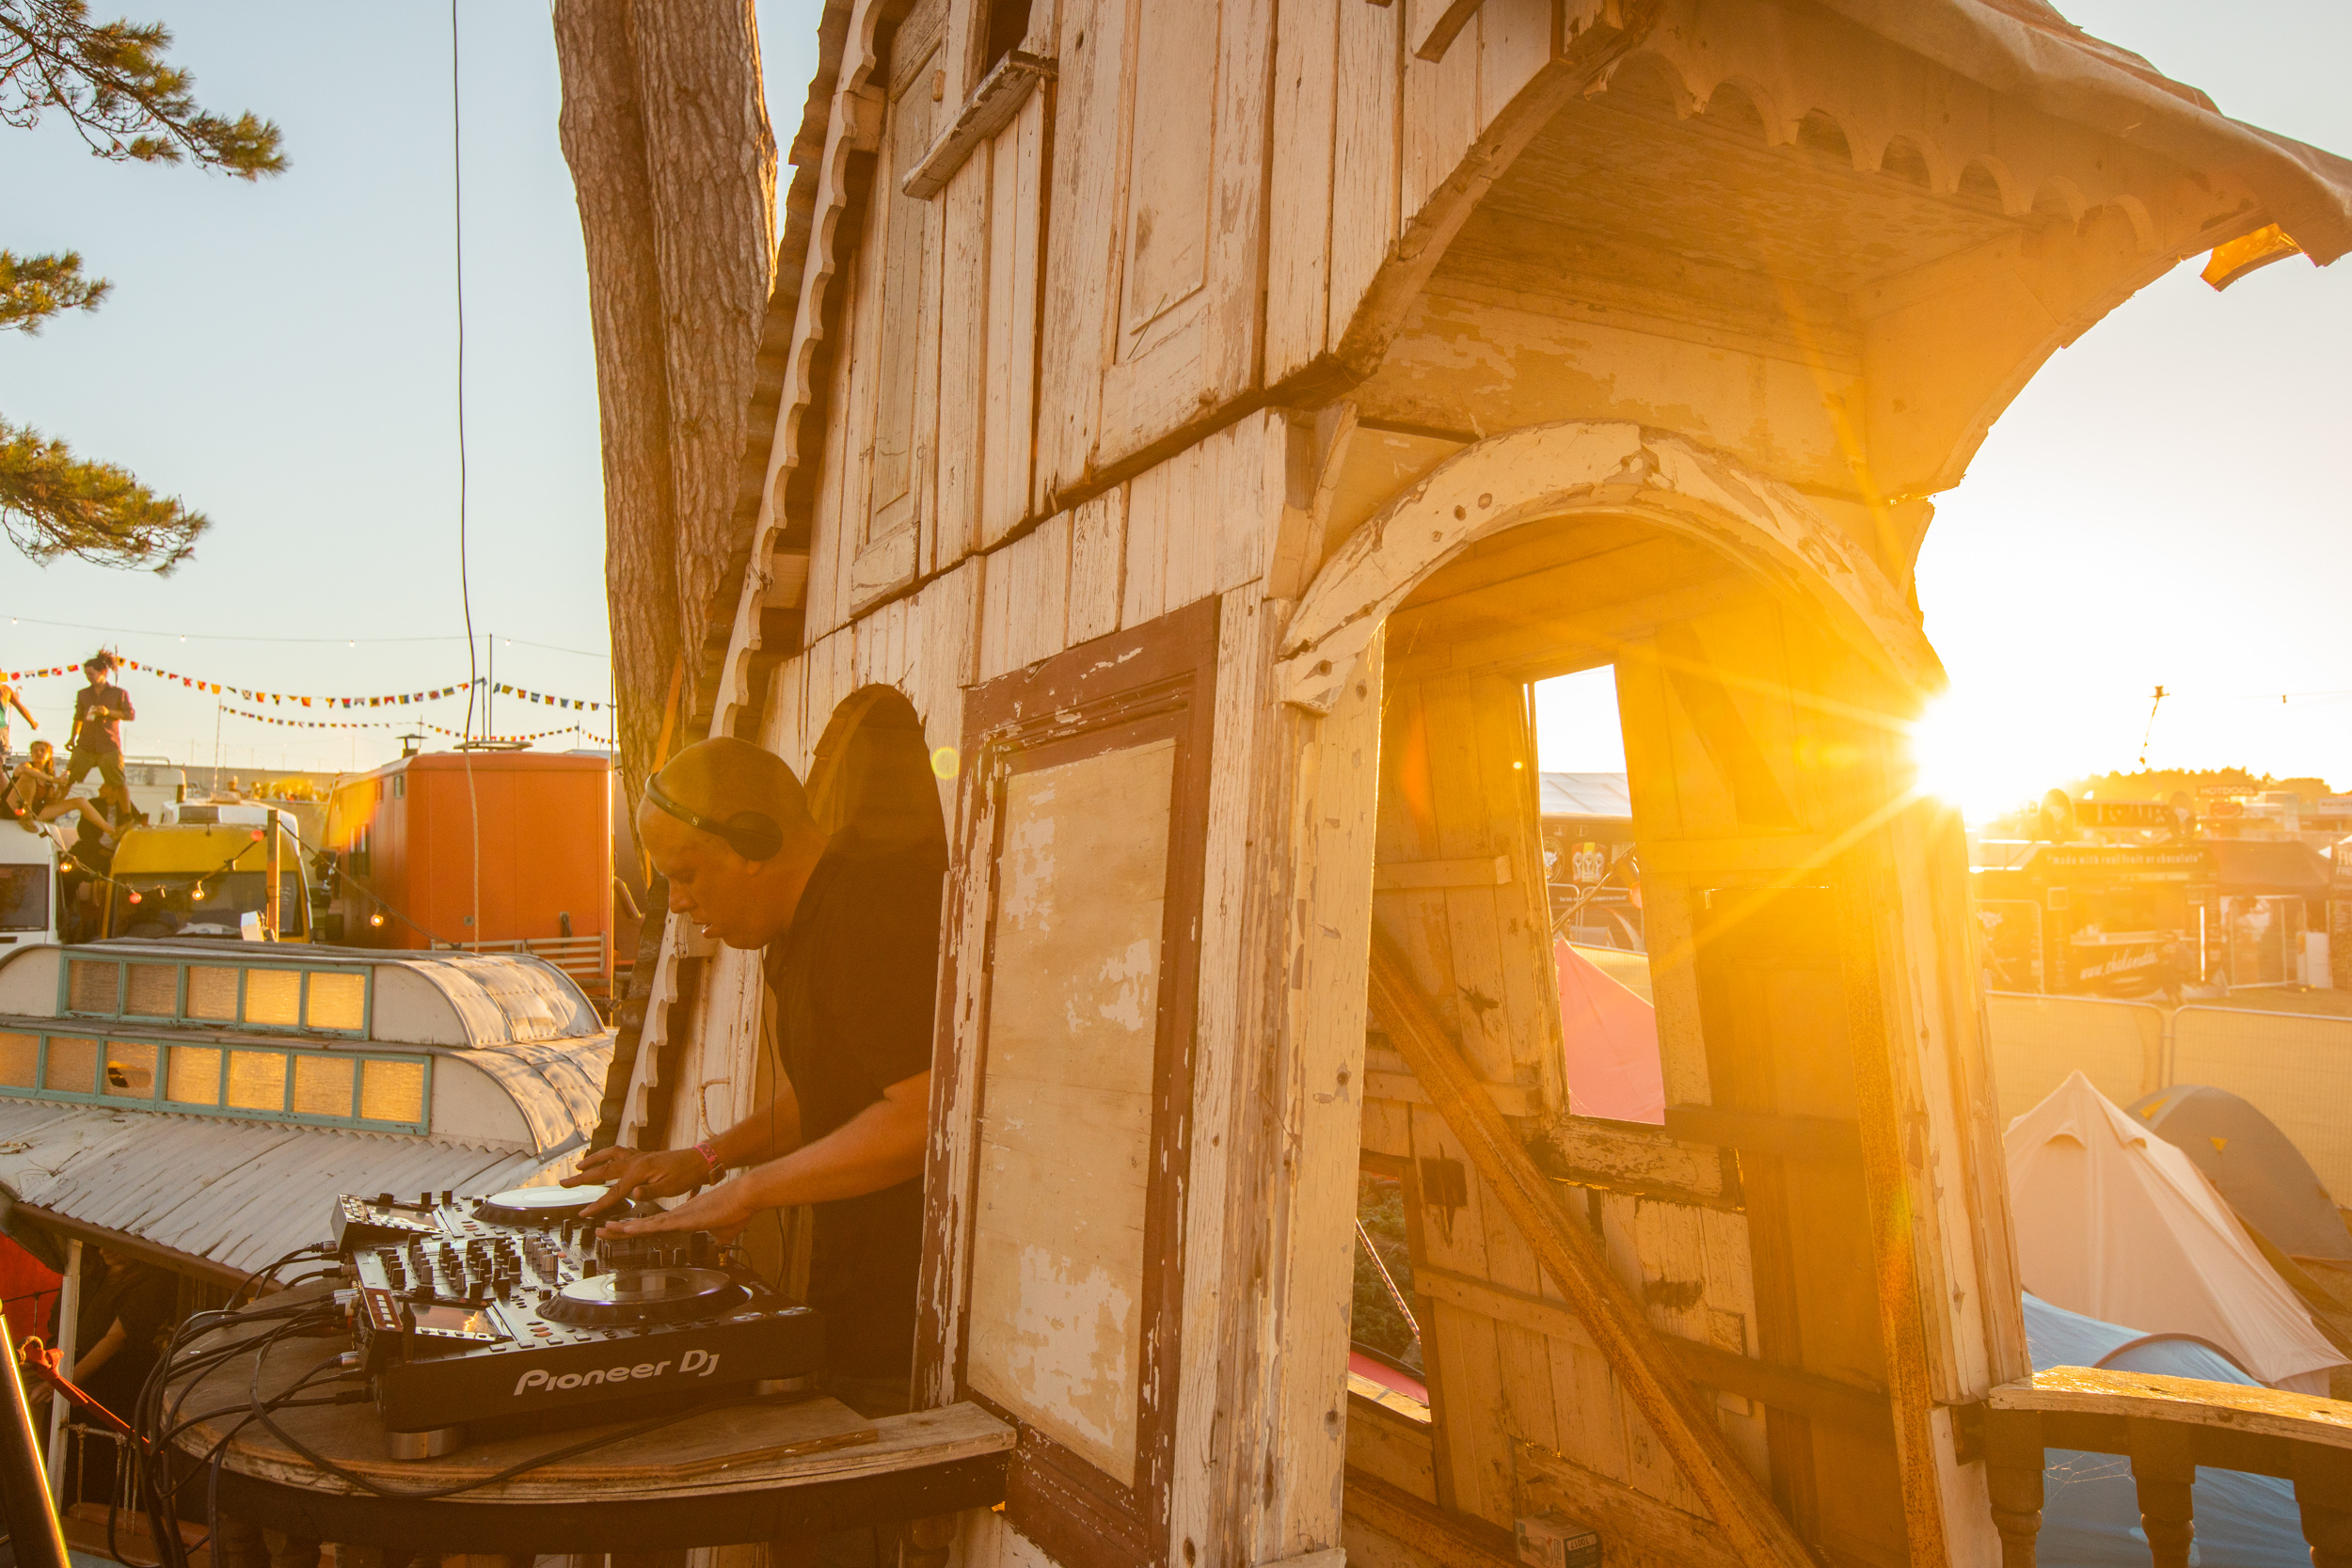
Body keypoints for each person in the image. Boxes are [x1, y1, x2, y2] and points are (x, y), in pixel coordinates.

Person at [564, 737, 942, 1421]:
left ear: (753, 841)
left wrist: (749, 1192)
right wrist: (707, 1158)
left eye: (684, 874)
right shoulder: (796, 932)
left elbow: (920, 1114)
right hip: (852, 1301)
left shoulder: (865, 919)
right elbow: (842, 1088)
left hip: (910, 1329)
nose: (676, 902)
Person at [64, 651, 135, 796]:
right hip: (86, 743)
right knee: (68, 778)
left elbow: (130, 715)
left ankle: (126, 816)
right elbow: (78, 717)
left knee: (119, 783)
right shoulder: (83, 693)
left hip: (109, 744)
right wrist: (72, 737)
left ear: (102, 672)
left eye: (91, 673)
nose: (89, 677)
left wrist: (107, 712)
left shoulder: (118, 693)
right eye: (86, 674)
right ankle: (53, 808)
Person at [4, 738, 64, 826]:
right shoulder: (26, 766)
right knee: (29, 775)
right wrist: (53, 779)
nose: (38, 753)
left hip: (34, 809)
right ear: (31, 754)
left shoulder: (49, 774)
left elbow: (49, 801)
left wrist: (60, 788)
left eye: (42, 750)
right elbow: (26, 770)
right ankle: (26, 817)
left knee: (79, 801)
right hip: (12, 807)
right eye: (35, 751)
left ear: (49, 754)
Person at [0, 677, 33, 767]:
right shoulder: (6, 690)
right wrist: (32, 722)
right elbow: (22, 709)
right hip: (2, 730)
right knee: (2, 761)